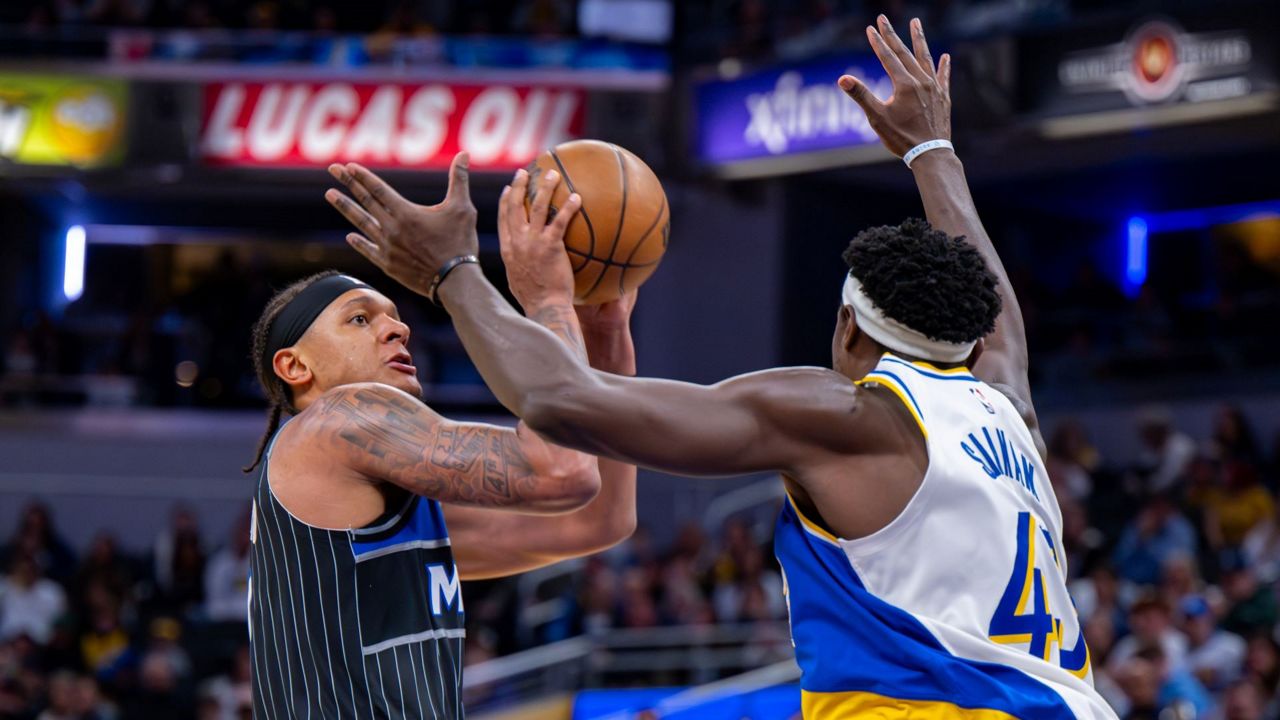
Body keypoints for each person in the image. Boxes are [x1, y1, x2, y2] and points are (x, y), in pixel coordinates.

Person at [326, 15, 1114, 719]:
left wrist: (454, 272)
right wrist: (932, 152)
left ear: (846, 324)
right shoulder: (1007, 409)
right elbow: (1001, 318)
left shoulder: (839, 414)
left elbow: (557, 401)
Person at [241, 230, 639, 712]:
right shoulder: (337, 419)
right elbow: (560, 472)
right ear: (295, 366)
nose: (397, 329)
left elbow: (599, 520)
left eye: (396, 318)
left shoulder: (380, 519)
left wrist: (607, 335)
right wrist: (546, 301)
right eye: (360, 319)